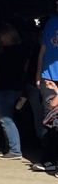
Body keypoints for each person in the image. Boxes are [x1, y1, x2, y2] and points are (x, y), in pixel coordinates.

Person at [0, 23, 26, 159]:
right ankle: (9, 147)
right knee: (10, 118)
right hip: (16, 87)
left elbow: (2, 71)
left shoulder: (8, 52)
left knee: (5, 119)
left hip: (5, 88)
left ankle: (14, 150)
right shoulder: (22, 50)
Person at [33, 12, 58, 172]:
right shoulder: (51, 23)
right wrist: (38, 74)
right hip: (49, 77)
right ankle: (49, 159)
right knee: (50, 118)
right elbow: (43, 49)